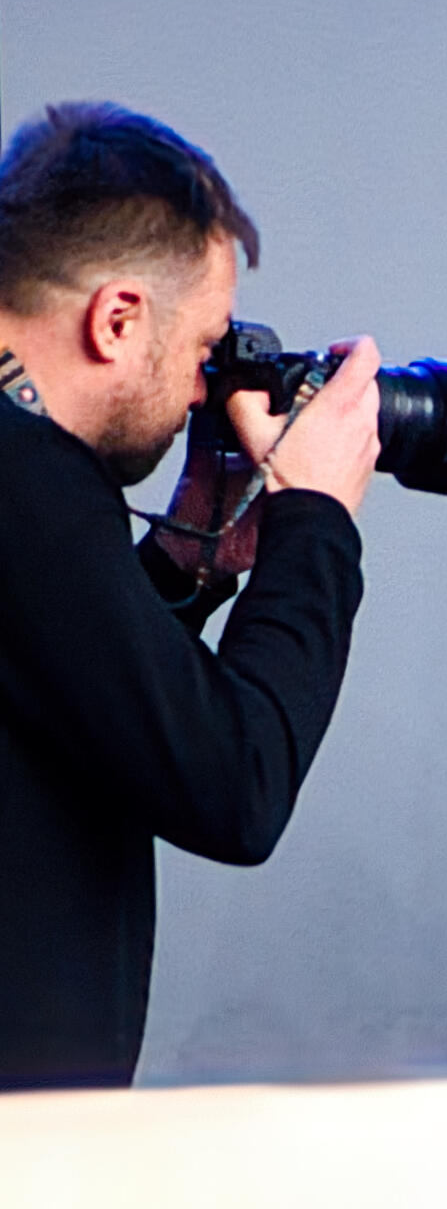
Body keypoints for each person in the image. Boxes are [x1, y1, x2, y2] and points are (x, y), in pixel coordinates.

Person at [0, 100, 383, 1092]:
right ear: (117, 319)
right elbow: (233, 786)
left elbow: (71, 691)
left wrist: (185, 549)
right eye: (203, 349)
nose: (202, 390)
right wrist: (314, 517)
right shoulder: (29, 481)